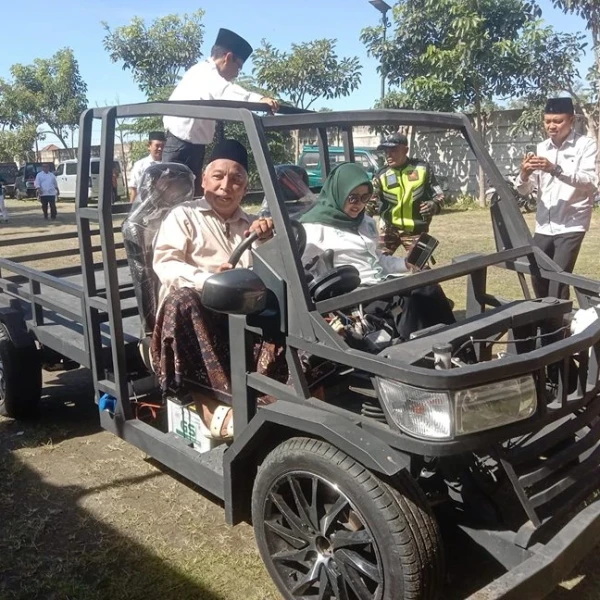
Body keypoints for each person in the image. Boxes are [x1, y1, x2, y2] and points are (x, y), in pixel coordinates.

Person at [151, 139, 280, 441]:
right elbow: (166, 265)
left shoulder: (252, 225)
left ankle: (280, 392)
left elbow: (273, 271)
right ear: (204, 181)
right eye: (219, 176)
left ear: (245, 189)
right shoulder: (184, 216)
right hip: (199, 312)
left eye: (237, 180)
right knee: (184, 301)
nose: (226, 186)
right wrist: (207, 279)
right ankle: (212, 407)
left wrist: (267, 241)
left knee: (289, 303)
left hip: (243, 311)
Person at [300, 162, 455, 341]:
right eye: (353, 198)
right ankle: (417, 355)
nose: (359, 204)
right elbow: (299, 269)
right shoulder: (314, 228)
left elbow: (377, 259)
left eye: (365, 198)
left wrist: (405, 263)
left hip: (380, 284)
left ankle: (456, 345)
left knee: (428, 285)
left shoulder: (366, 222)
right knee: (408, 302)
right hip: (354, 294)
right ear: (339, 193)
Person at [163, 28, 280, 195]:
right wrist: (258, 100)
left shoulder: (205, 73)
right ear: (228, 58)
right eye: (238, 67)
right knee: (172, 201)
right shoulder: (205, 73)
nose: (237, 74)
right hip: (181, 148)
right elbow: (226, 92)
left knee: (189, 201)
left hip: (190, 148)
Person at [516, 97, 598, 300]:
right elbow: (526, 190)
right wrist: (524, 174)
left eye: (558, 121)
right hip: (544, 223)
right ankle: (546, 323)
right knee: (537, 275)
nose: (552, 126)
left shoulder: (586, 145)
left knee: (558, 279)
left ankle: (558, 330)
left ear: (571, 120)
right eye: (547, 121)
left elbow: (589, 182)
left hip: (571, 223)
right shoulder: (541, 147)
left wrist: (555, 169)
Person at [370, 133, 445, 255]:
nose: (388, 155)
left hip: (416, 230)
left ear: (405, 150)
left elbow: (439, 195)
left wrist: (434, 204)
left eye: (393, 150)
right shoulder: (381, 175)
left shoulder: (422, 169)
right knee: (377, 264)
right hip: (389, 229)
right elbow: (370, 203)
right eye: (386, 151)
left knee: (422, 269)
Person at [128, 131, 166, 202]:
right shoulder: (140, 165)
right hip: (143, 206)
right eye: (157, 146)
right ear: (149, 146)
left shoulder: (168, 165)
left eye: (163, 146)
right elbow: (134, 189)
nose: (160, 149)